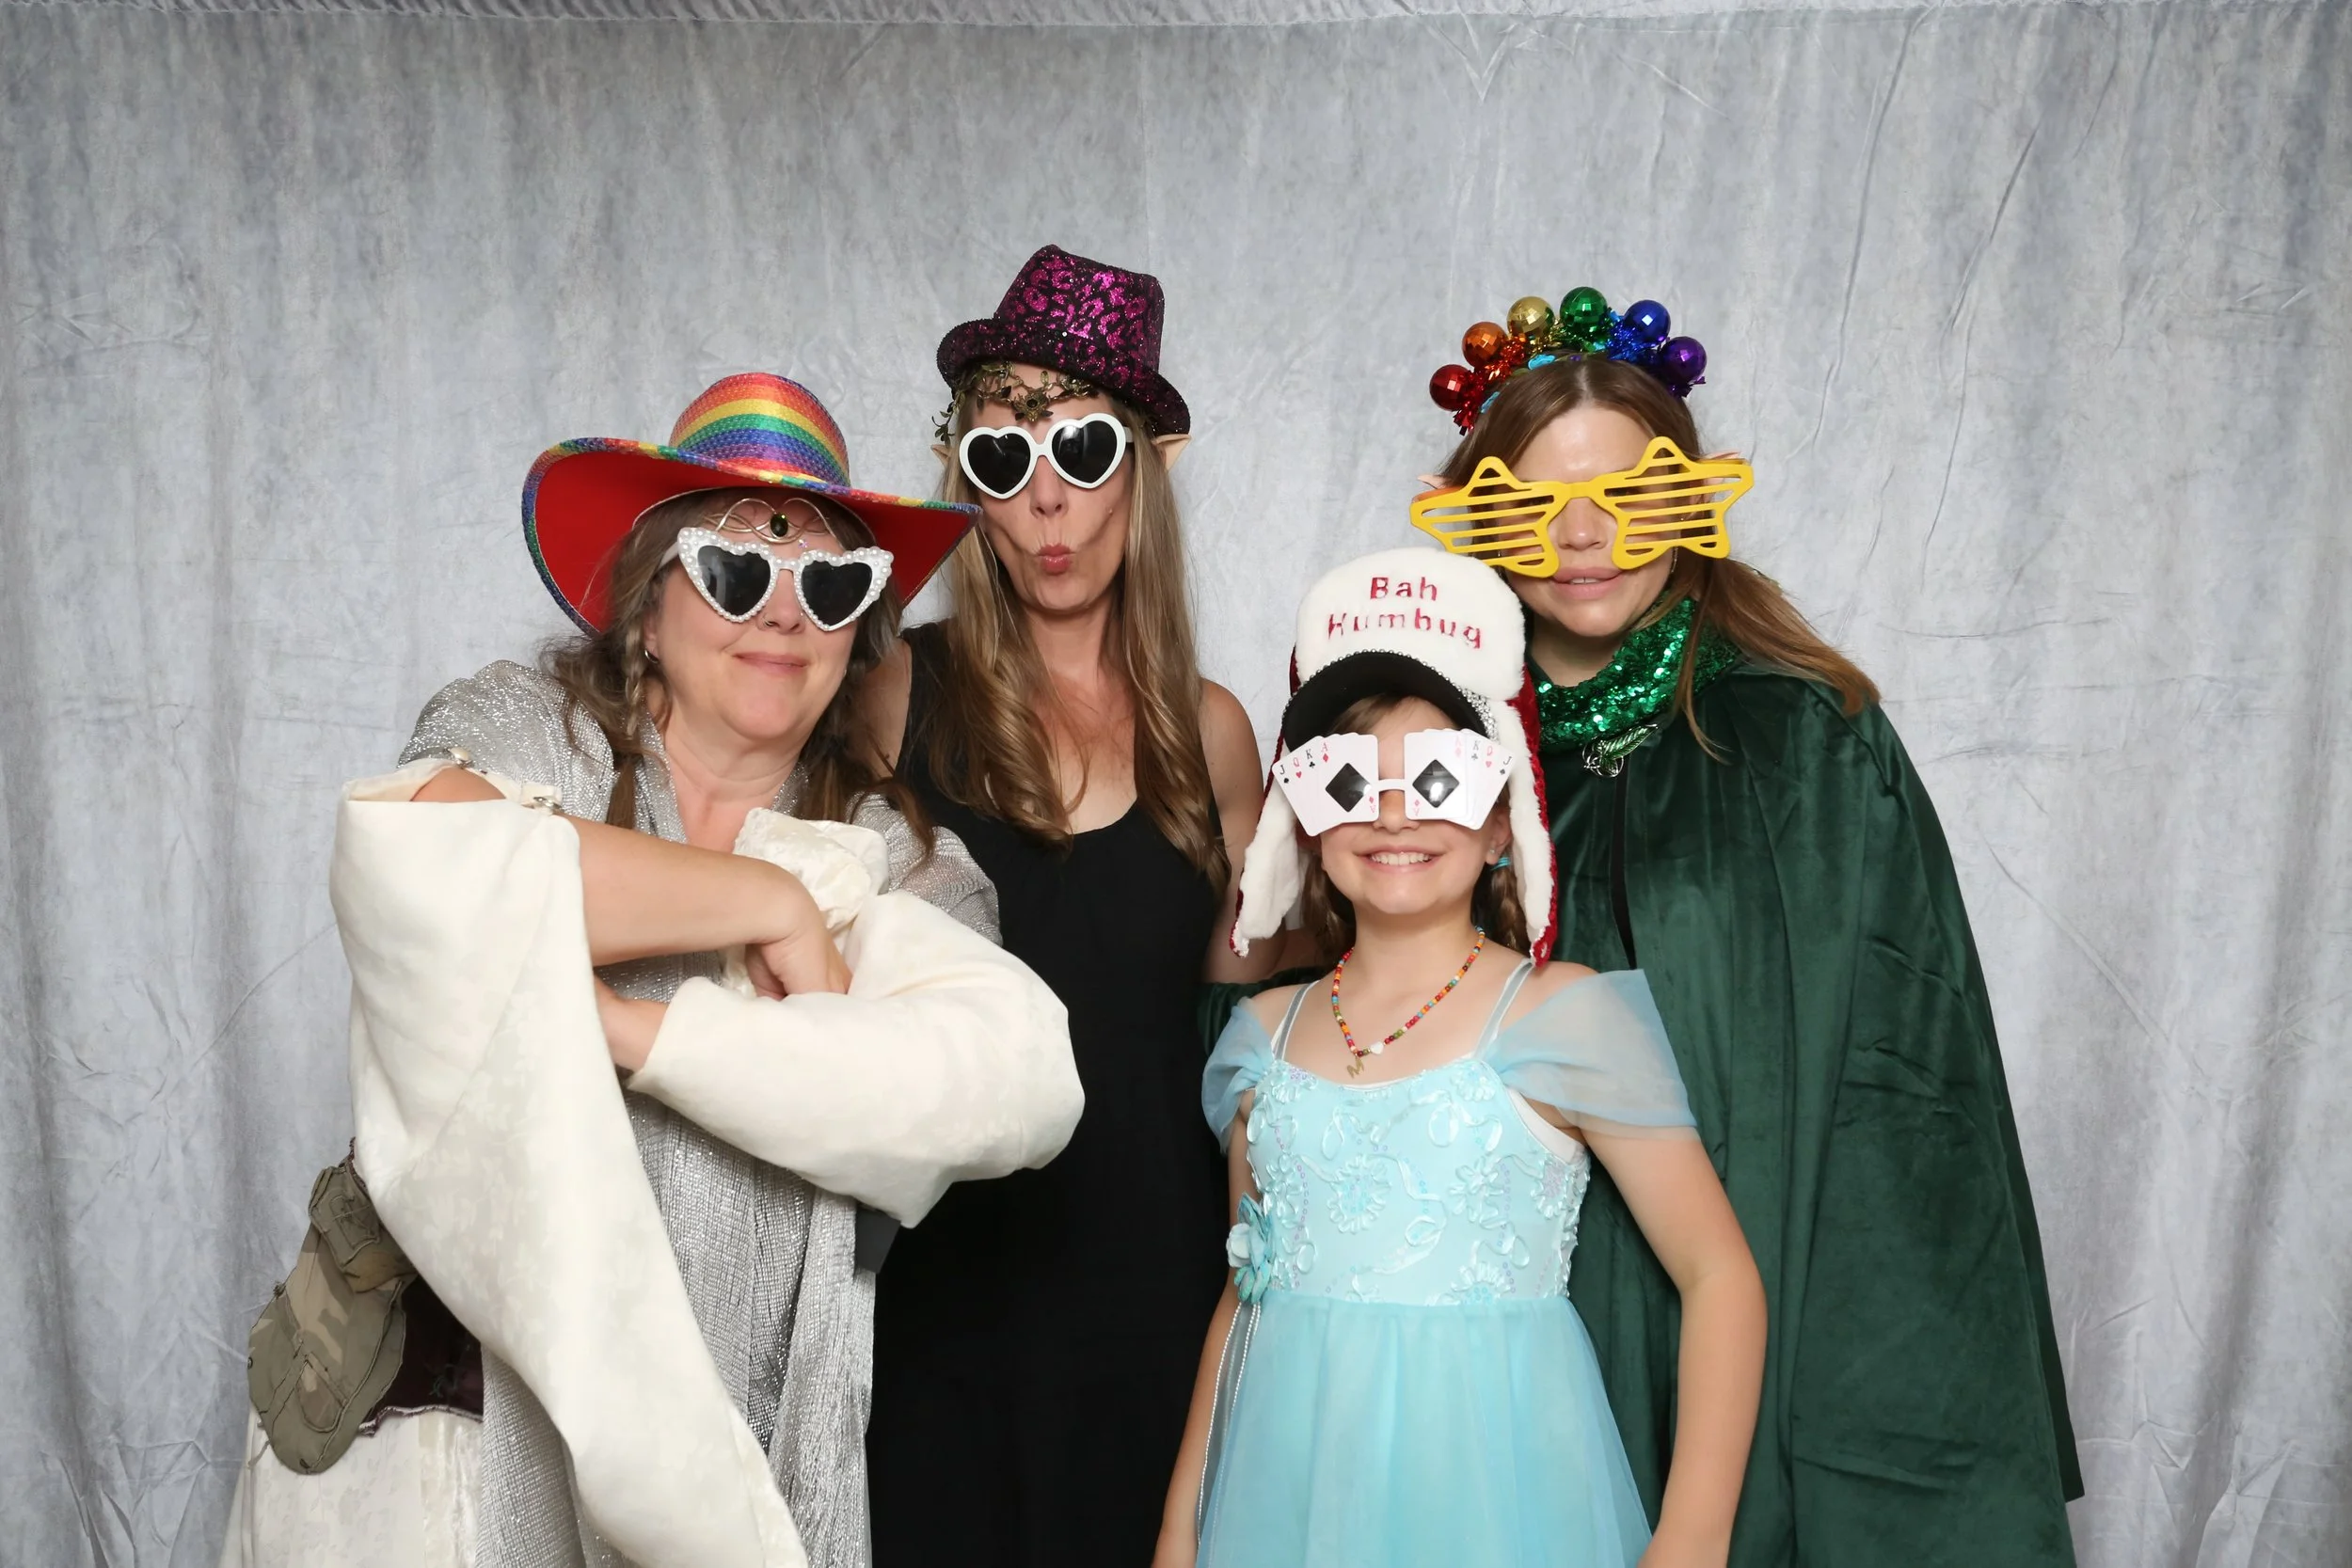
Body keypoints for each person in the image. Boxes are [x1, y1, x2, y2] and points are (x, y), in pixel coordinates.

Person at [219, 372, 1083, 1568]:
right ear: (646, 604)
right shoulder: (524, 729)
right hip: (445, 1449)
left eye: (832, 584)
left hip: (737, 1466)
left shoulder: (897, 861)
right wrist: (765, 900)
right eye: (738, 572)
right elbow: (421, 860)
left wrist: (620, 1030)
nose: (785, 615)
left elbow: (1012, 1080)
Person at [1413, 289, 2081, 1563]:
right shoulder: (1427, 767)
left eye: (1631, 494)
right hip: (1500, 1343)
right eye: (1537, 504)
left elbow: (1909, 1111)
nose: (1587, 538)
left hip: (1764, 1310)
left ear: (1694, 500)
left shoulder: (1809, 743)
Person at [1159, 546, 1766, 1568]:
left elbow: (1718, 1272)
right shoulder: (1261, 1037)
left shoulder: (1559, 1014)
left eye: (1438, 777)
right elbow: (1243, 1293)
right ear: (1307, 825)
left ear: (1500, 823)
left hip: (1497, 1498)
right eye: (1351, 781)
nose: (1393, 813)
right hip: (1287, 1500)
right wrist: (1182, 1527)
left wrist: (1692, 1537)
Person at [858, 246, 1282, 1567]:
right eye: (1001, 461)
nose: (1046, 504)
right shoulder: (891, 694)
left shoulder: (1209, 730)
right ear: (966, 488)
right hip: (951, 1281)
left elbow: (1264, 1007)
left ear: (1142, 468)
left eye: (1083, 453)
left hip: (1157, 1280)